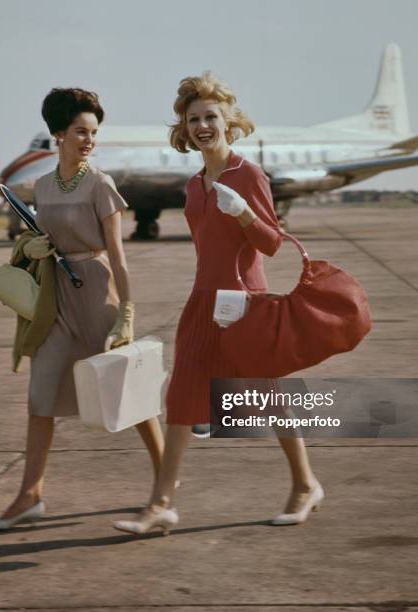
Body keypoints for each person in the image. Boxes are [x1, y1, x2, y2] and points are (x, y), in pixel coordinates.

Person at [113, 73, 323, 535]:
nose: (203, 125)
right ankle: (161, 504)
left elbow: (271, 246)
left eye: (211, 116)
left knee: (268, 400)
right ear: (184, 129)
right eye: (193, 119)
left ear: (228, 122)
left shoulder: (248, 175)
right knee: (183, 396)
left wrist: (244, 212)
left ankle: (305, 484)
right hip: (202, 303)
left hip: (245, 303)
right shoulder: (193, 184)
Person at [0, 88, 164, 529]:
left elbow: (118, 257)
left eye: (94, 132)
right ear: (59, 133)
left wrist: (126, 315)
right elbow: (38, 241)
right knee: (40, 395)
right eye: (80, 131)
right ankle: (30, 495)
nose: (88, 140)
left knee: (131, 398)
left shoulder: (101, 184)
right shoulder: (43, 186)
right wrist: (33, 242)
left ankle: (165, 486)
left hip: (99, 294)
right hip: (57, 301)